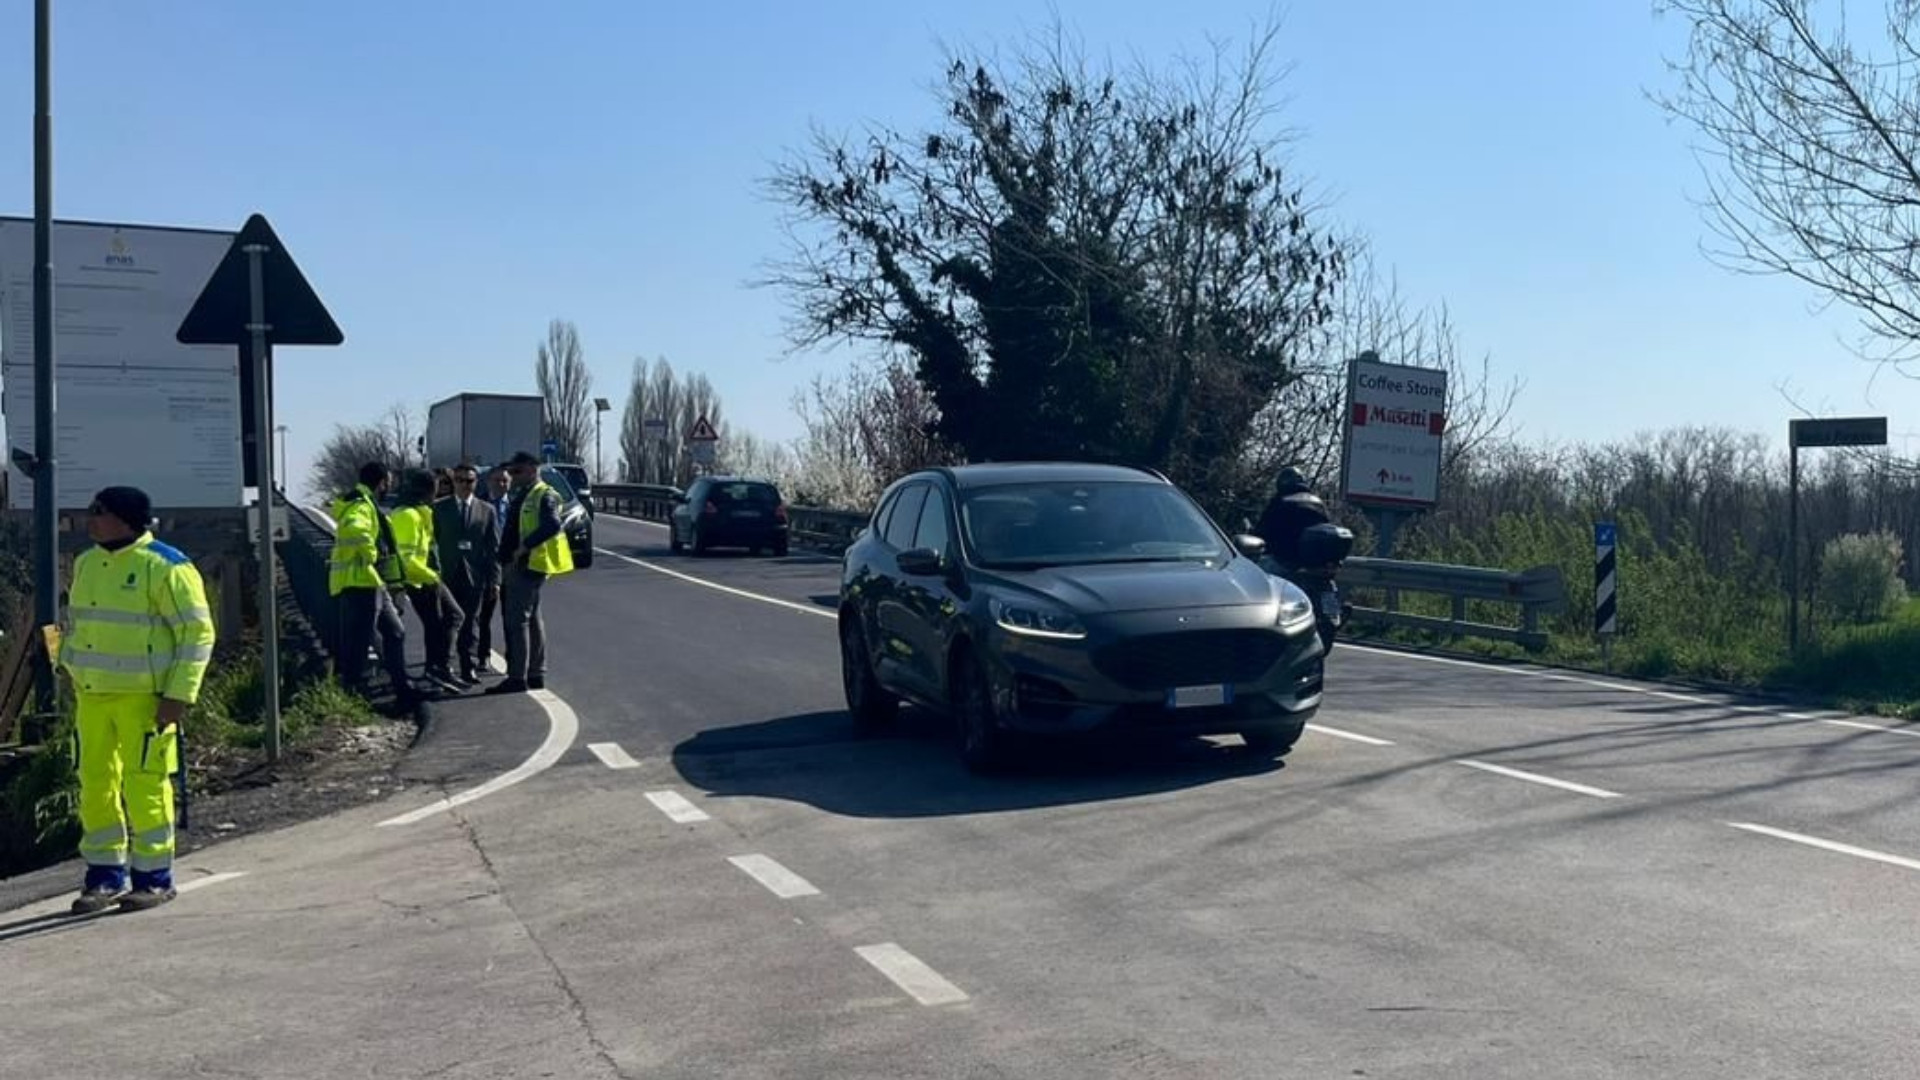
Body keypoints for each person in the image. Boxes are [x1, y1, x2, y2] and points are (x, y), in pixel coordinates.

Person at [59, 486, 216, 913]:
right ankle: (104, 877)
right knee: (95, 785)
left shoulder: (167, 566)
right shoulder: (88, 563)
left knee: (145, 784)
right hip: (93, 698)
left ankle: (153, 878)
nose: (89, 518)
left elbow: (197, 633)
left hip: (145, 700)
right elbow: (78, 626)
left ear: (127, 520)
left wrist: (179, 695)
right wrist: (68, 668)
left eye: (99, 512)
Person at [329, 462, 419, 711]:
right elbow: (356, 529)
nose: (389, 486)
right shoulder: (360, 503)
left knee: (395, 632)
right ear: (381, 482)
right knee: (359, 642)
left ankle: (402, 689)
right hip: (360, 582)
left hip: (371, 582)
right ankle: (353, 694)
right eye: (387, 481)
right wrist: (370, 553)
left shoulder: (365, 501)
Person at [487, 452, 573, 694]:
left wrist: (523, 547)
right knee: (532, 619)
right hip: (525, 562)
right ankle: (535, 673)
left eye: (518, 472)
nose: (513, 477)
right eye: (512, 472)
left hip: (527, 564)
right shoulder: (525, 494)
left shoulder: (543, 494)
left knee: (517, 621)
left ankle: (517, 676)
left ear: (533, 470)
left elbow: (552, 524)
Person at [390, 469, 467, 693]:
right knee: (445, 619)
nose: (438, 491)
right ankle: (437, 669)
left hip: (426, 576)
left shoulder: (420, 512)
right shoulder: (407, 515)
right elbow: (406, 559)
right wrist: (430, 576)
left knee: (445, 620)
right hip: (418, 580)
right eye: (436, 486)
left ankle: (440, 669)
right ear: (425, 489)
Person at [433, 463, 499, 684]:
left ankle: (468, 666)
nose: (464, 485)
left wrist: (494, 580)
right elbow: (431, 542)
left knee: (470, 623)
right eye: (459, 480)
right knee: (447, 622)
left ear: (476, 482)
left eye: (469, 481)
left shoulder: (486, 510)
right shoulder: (439, 508)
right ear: (453, 483)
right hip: (447, 574)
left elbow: (492, 548)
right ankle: (443, 667)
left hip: (475, 575)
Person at [1254, 466, 1333, 568]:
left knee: (1254, 571)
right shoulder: (1319, 503)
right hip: (1314, 564)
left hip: (1285, 560)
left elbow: (1263, 531)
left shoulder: (1280, 502)